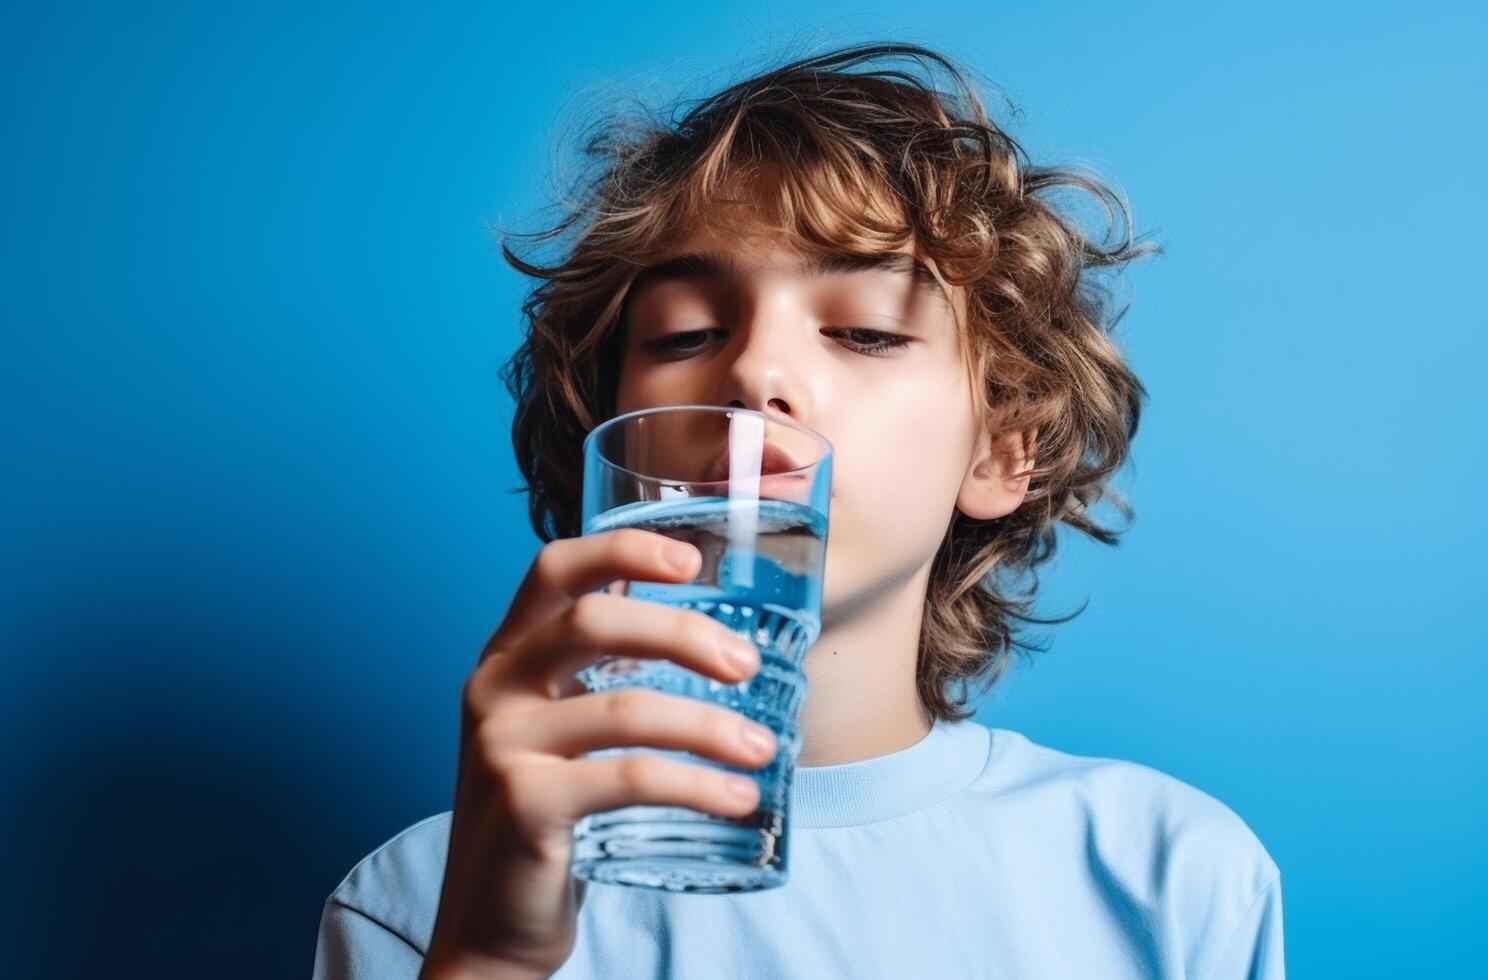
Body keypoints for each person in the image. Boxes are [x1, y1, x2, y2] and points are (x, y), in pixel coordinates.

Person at [312, 42, 1284, 979]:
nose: (754, 372)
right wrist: (486, 962)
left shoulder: (1173, 877)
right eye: (686, 333)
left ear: (1000, 449)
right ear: (612, 433)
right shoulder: (423, 902)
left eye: (863, 330)